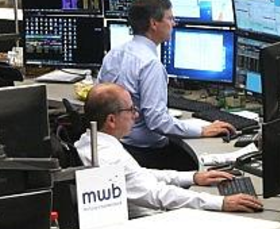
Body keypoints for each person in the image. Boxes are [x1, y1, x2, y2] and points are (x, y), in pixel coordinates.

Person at [75, 83, 262, 216]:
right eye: (131, 110)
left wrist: (192, 177)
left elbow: (137, 175)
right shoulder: (109, 157)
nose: (136, 115)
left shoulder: (88, 142)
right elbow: (157, 194)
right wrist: (221, 202)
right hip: (148, 224)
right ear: (111, 120)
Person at [99, 0, 235, 170]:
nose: (174, 23)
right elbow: (157, 121)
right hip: (146, 154)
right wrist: (202, 130)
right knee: (205, 164)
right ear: (154, 24)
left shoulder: (114, 53)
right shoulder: (150, 64)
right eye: (170, 18)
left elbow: (99, 97)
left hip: (117, 147)